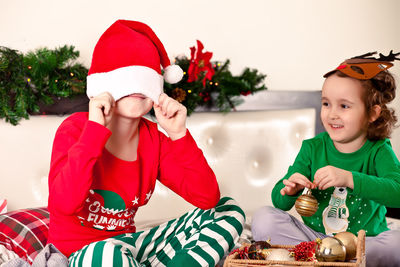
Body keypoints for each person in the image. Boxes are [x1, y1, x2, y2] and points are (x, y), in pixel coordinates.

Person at [46, 20, 245, 267]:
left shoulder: (154, 139)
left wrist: (179, 135)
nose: (137, 87)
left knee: (228, 210)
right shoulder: (76, 129)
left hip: (130, 245)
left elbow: (207, 198)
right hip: (82, 254)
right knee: (105, 255)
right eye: (127, 77)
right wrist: (94, 132)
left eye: (145, 78)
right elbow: (64, 204)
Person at [251, 51, 400, 266]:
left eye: (344, 106)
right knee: (264, 217)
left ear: (373, 113)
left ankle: (329, 259)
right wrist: (290, 189)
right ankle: (323, 257)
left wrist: (349, 178)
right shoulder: (313, 148)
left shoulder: (379, 150)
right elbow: (279, 201)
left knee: (396, 243)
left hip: (363, 243)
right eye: (326, 103)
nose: (332, 114)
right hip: (315, 239)